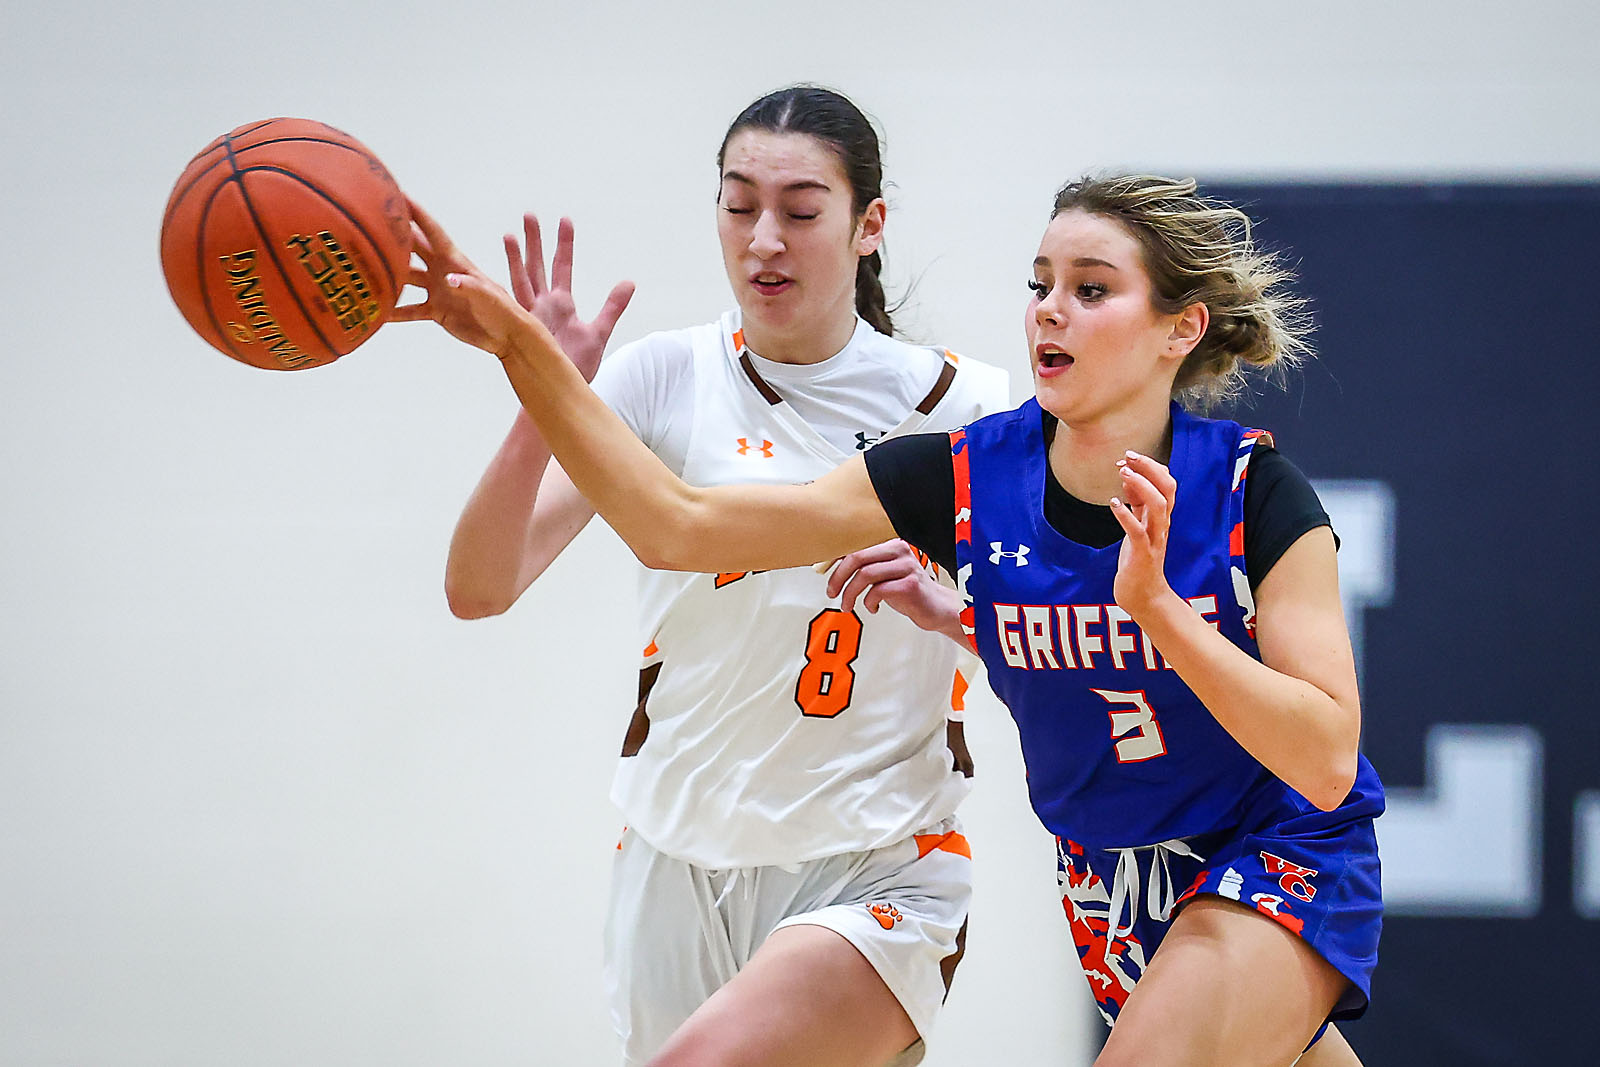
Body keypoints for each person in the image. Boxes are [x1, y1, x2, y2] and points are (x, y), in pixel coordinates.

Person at [399, 172, 1385, 1065]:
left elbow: (1326, 754)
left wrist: (1163, 611)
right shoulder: (966, 472)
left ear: (1180, 329)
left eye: (1091, 288)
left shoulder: (1254, 492)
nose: (1050, 309)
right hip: (1106, 870)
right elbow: (679, 525)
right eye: (1039, 282)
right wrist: (524, 350)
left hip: (1269, 847)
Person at [438, 85, 1009, 1067]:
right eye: (738, 205)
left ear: (868, 224)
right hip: (676, 856)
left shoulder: (966, 407)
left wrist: (949, 604)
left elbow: (1049, 633)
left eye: (799, 210)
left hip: (874, 862)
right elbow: (480, 586)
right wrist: (541, 389)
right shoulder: (664, 376)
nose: (762, 240)